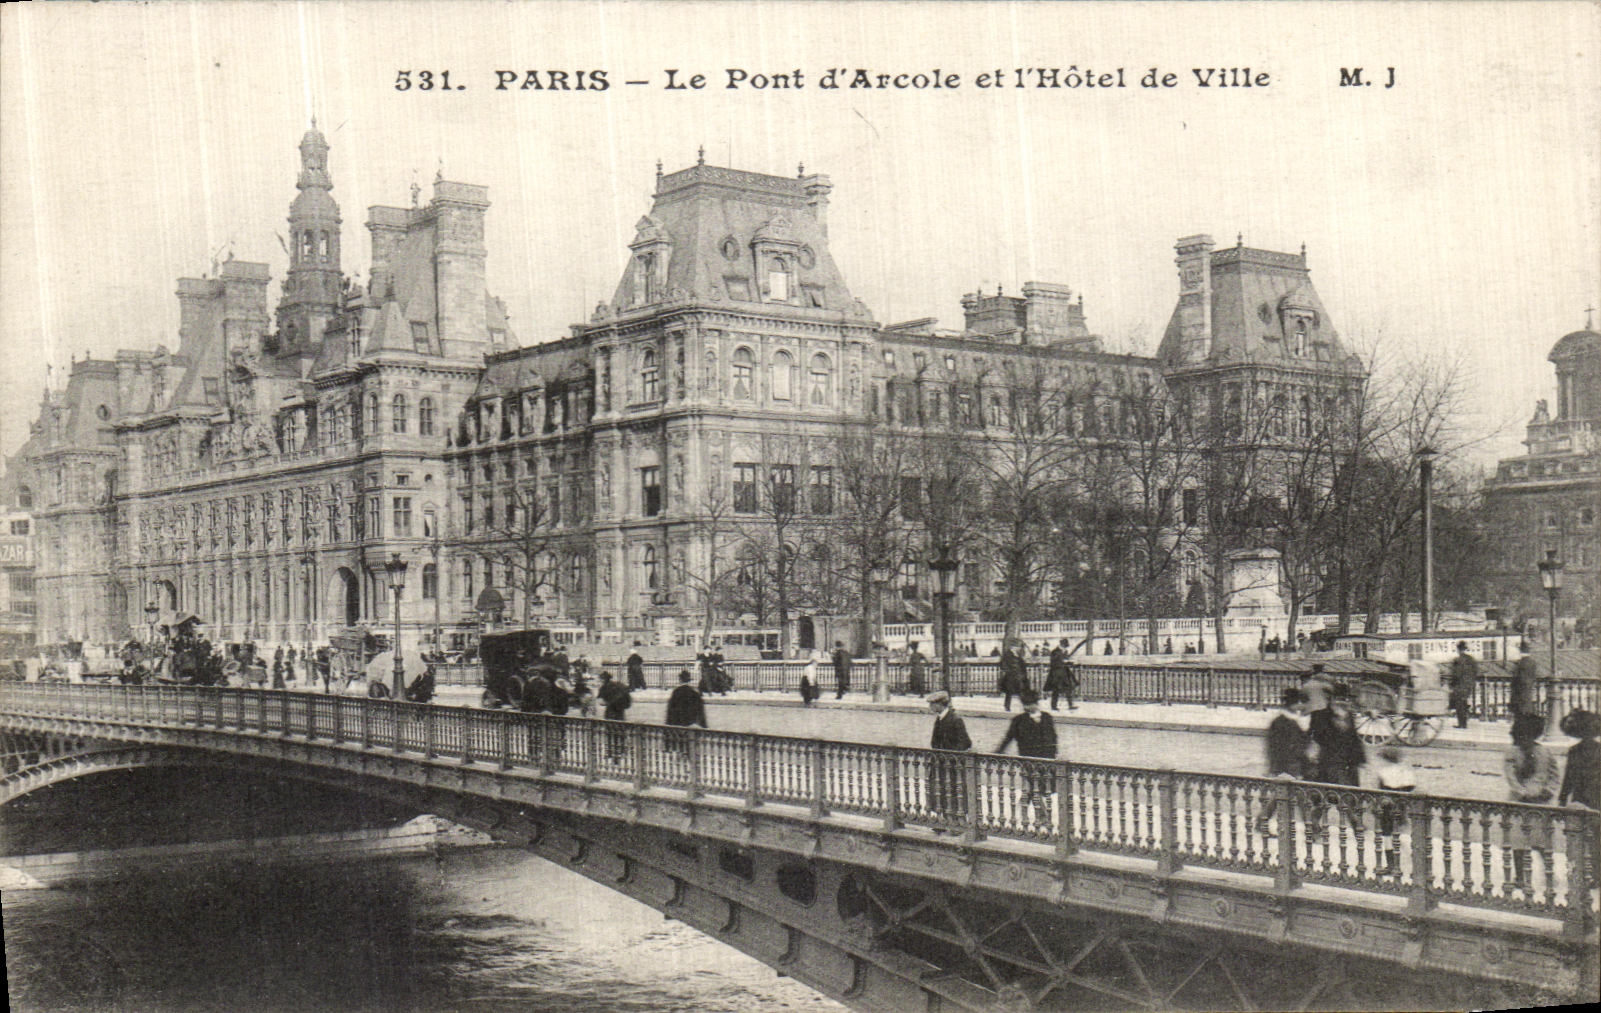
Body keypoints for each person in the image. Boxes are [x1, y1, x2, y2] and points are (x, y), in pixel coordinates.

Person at [1504, 711, 1560, 890]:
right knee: (1518, 842)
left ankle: (1549, 874)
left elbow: (1554, 775)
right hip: (1520, 802)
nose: (1525, 740)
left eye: (1529, 735)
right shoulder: (1512, 752)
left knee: (1543, 841)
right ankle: (1520, 877)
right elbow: (1511, 776)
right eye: (1522, 735)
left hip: (1541, 802)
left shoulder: (1544, 752)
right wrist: (1522, 792)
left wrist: (1548, 791)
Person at [994, 690, 1058, 825]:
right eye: (1025, 704)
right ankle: (1042, 817)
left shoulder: (1047, 718)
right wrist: (997, 753)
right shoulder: (1018, 720)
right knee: (1034, 787)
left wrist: (1054, 757)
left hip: (1046, 760)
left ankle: (1023, 812)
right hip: (1028, 760)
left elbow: (1053, 738)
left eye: (1030, 704)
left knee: (1034, 789)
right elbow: (1008, 738)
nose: (1027, 707)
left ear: (1036, 703)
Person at [927, 690, 971, 831]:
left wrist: (950, 756)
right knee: (941, 791)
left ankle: (958, 824)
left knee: (953, 793)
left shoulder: (955, 719)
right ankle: (944, 821)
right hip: (941, 763)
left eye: (932, 704)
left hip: (952, 765)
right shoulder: (940, 718)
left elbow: (965, 742)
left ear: (941, 704)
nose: (930, 707)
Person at [1373, 745, 1417, 875]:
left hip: (1388, 807)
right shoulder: (1406, 771)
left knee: (1388, 835)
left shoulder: (1383, 772)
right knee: (1400, 834)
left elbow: (1380, 792)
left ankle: (1391, 865)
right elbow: (1411, 787)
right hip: (1402, 805)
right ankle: (1415, 862)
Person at [1309, 687, 1366, 787]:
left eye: (1345, 699)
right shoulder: (1319, 715)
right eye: (1338, 699)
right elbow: (1317, 737)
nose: (1342, 702)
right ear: (1331, 699)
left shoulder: (1350, 717)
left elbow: (1354, 739)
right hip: (1328, 763)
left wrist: (1359, 759)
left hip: (1348, 764)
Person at [1558, 709, 1600, 810]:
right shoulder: (1574, 750)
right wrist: (1563, 797)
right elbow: (1568, 776)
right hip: (1580, 796)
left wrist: (1563, 798)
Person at [598, 670, 632, 760]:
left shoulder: (604, 687)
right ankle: (621, 752)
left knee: (609, 733)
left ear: (603, 679)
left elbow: (601, 702)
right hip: (620, 712)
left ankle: (610, 752)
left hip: (610, 712)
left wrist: (608, 702)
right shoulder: (619, 685)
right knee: (620, 732)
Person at [1448, 641, 1480, 728]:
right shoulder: (1471, 659)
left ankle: (1462, 723)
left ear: (1458, 649)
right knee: (1463, 702)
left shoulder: (1458, 660)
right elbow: (1475, 671)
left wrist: (1452, 684)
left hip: (1460, 685)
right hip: (1469, 684)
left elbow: (1456, 674)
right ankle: (1464, 722)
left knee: (1459, 704)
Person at [1046, 638, 1078, 711]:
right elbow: (1053, 663)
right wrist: (1063, 662)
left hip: (1064, 673)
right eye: (1065, 646)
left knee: (1068, 689)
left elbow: (1065, 660)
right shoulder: (1055, 652)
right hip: (1056, 673)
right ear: (1061, 645)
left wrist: (1069, 662)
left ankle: (1070, 705)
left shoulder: (1064, 651)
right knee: (1056, 690)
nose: (1065, 648)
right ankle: (1053, 706)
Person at [998, 641, 1028, 712]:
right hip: (1010, 676)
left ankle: (1025, 706)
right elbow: (1002, 664)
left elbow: (1022, 664)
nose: (1018, 648)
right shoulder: (1007, 654)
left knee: (1021, 691)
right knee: (1009, 692)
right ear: (1013, 647)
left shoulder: (1017, 654)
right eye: (1017, 647)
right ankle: (1007, 706)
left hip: (1018, 675)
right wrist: (1009, 671)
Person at [1509, 649, 1539, 720]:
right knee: (1527, 703)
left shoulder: (1520, 663)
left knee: (1519, 705)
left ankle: (1521, 718)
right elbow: (1534, 675)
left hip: (1519, 687)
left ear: (1521, 653)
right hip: (1529, 686)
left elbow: (1516, 676)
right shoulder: (1532, 662)